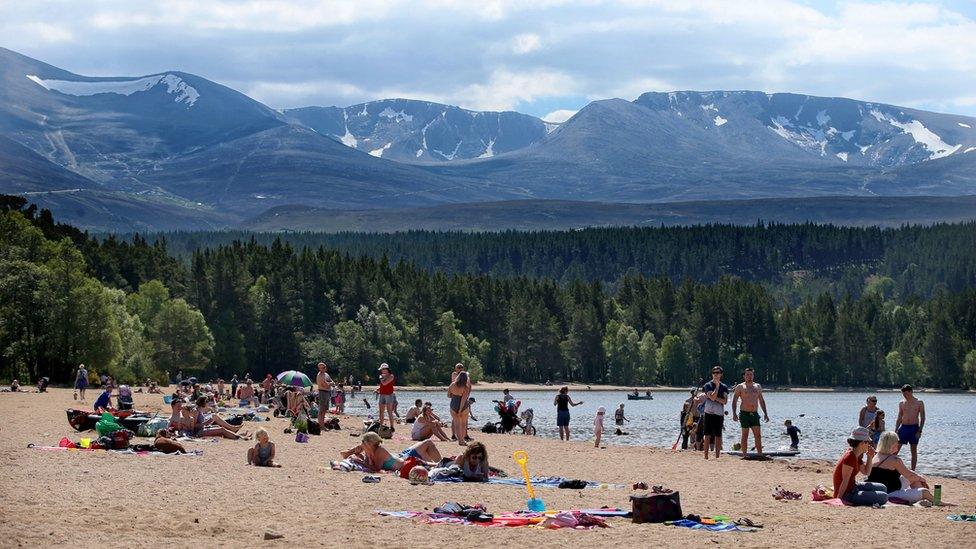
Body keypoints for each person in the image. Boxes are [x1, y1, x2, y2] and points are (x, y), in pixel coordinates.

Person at [867, 431, 933, 504]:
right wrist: (922, 479)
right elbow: (910, 476)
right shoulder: (895, 460)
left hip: (879, 490)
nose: (898, 444)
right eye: (897, 442)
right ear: (891, 444)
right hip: (890, 493)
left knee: (913, 475)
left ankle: (918, 499)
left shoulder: (875, 456)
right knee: (924, 491)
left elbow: (909, 474)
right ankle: (938, 502)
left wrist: (918, 477)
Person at [832, 426, 887, 506]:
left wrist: (869, 457)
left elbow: (866, 472)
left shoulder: (856, 455)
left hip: (853, 486)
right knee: (883, 497)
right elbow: (845, 480)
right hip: (847, 494)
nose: (869, 444)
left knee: (883, 487)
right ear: (861, 443)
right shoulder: (850, 457)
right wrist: (838, 499)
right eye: (867, 442)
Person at [339, 432, 441, 472]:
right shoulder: (369, 450)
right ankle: (439, 465)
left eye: (363, 441)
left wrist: (358, 461)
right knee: (426, 446)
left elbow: (376, 468)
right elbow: (368, 464)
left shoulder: (379, 451)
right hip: (402, 456)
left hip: (406, 458)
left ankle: (441, 464)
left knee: (428, 443)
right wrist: (358, 454)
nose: (361, 443)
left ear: (370, 443)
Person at [731, 367, 770, 456]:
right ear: (744, 376)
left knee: (758, 435)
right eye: (747, 374)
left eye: (751, 374)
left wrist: (765, 413)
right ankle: (744, 455)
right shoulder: (740, 387)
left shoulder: (757, 386)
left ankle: (760, 454)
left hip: (754, 413)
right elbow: (734, 401)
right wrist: (734, 413)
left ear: (753, 375)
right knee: (745, 435)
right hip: (744, 413)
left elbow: (761, 400)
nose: (749, 376)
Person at [895, 384, 925, 470]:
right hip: (903, 428)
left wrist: (920, 430)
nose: (905, 396)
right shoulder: (901, 403)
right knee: (895, 449)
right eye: (903, 394)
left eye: (906, 394)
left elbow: (923, 417)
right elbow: (899, 417)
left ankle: (913, 470)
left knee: (913, 450)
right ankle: (891, 467)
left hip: (914, 428)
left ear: (911, 392)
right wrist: (896, 430)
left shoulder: (919, 402)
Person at [702, 365, 728, 459]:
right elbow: (712, 397)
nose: (715, 375)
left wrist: (714, 398)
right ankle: (706, 456)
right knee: (707, 434)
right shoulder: (707, 385)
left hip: (719, 413)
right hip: (709, 412)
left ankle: (717, 456)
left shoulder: (724, 386)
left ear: (721, 374)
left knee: (718, 435)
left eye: (717, 373)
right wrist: (716, 387)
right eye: (714, 373)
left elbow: (724, 401)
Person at [448, 371, 472, 446]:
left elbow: (448, 395)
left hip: (453, 404)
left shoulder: (452, 384)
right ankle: (462, 440)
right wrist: (460, 409)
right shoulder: (466, 386)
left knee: (457, 423)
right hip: (463, 406)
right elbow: (464, 399)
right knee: (463, 423)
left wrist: (455, 396)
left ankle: (460, 440)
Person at [377, 363, 397, 430]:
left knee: (389, 411)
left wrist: (381, 378)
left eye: (383, 369)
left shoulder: (391, 376)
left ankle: (392, 426)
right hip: (382, 394)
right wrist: (378, 389)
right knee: (381, 411)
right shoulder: (382, 376)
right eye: (382, 370)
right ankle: (381, 425)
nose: (382, 371)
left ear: (387, 369)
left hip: (389, 394)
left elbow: (385, 383)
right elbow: (382, 385)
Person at [316, 362, 334, 430]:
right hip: (322, 392)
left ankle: (322, 425)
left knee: (324, 410)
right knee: (322, 410)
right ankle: (321, 426)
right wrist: (330, 384)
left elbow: (332, 382)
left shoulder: (326, 374)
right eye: (323, 367)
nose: (325, 368)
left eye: (325, 366)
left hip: (327, 392)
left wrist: (329, 383)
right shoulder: (320, 375)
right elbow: (326, 385)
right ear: (320, 368)